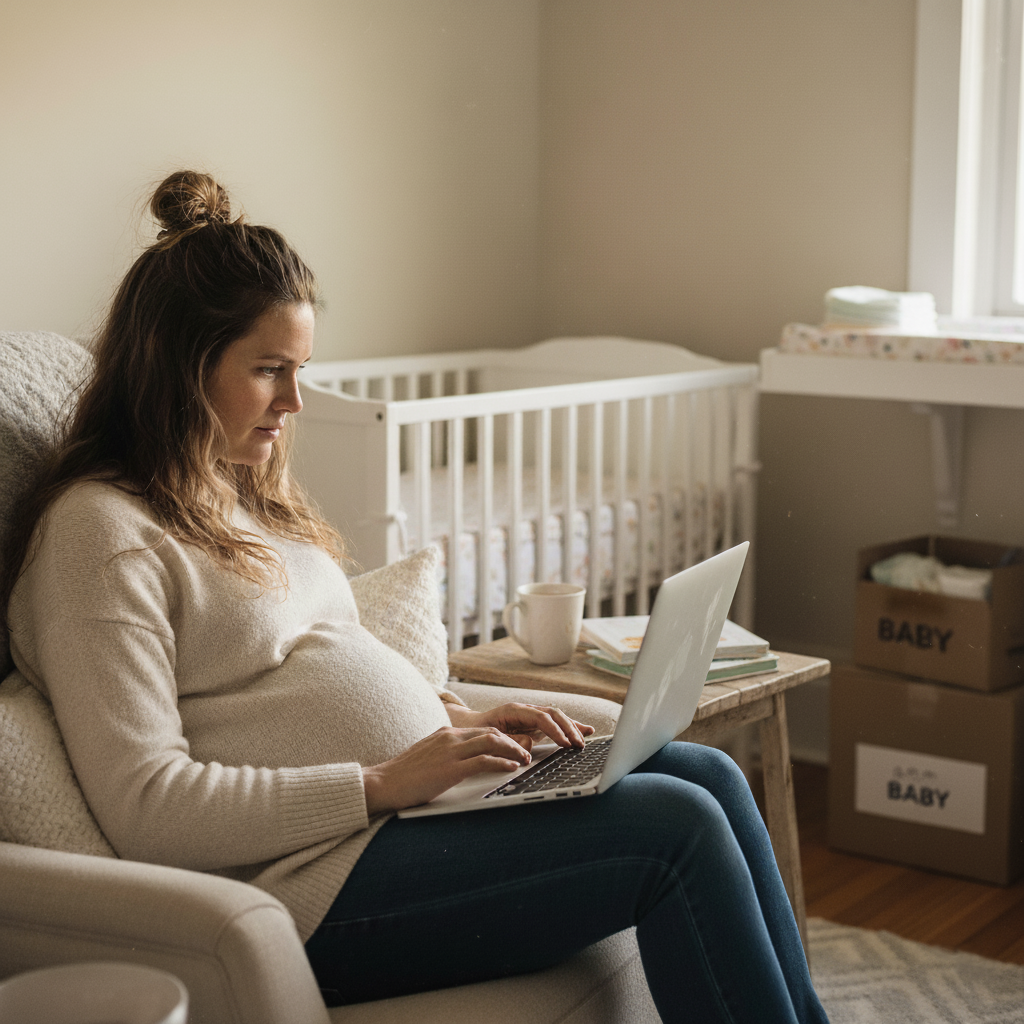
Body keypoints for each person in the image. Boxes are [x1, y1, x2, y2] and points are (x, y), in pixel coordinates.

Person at [1, 170, 829, 1024]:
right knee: (674, 829)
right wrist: (381, 781)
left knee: (708, 775)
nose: (293, 403)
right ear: (177, 367)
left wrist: (461, 721)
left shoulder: (229, 489)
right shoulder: (97, 535)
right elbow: (148, 805)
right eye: (269, 371)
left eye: (301, 371)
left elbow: (298, 676)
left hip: (404, 821)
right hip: (311, 883)